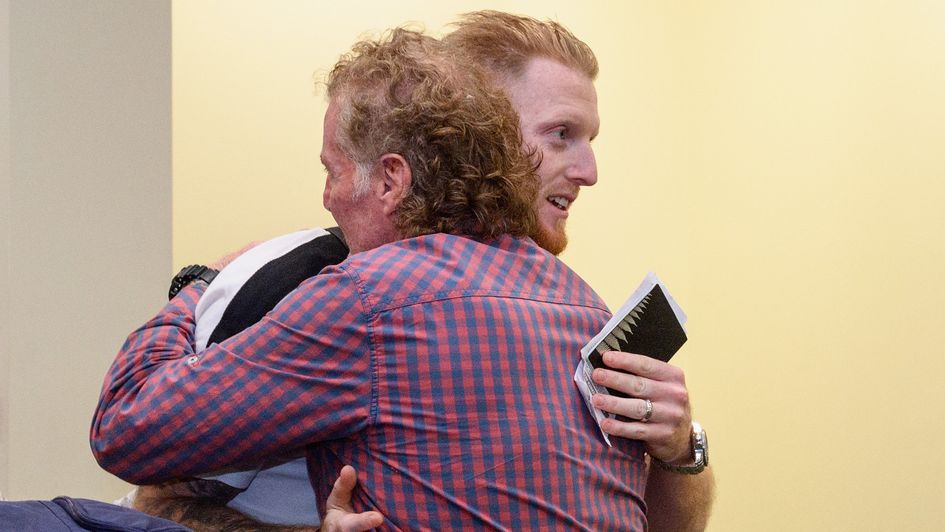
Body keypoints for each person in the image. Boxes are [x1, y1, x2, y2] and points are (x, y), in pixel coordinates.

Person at [111, 11, 715, 531]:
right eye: (561, 135)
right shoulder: (296, 283)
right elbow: (164, 496)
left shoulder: (585, 317)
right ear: (483, 126)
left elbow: (129, 436)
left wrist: (681, 449)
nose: (589, 169)